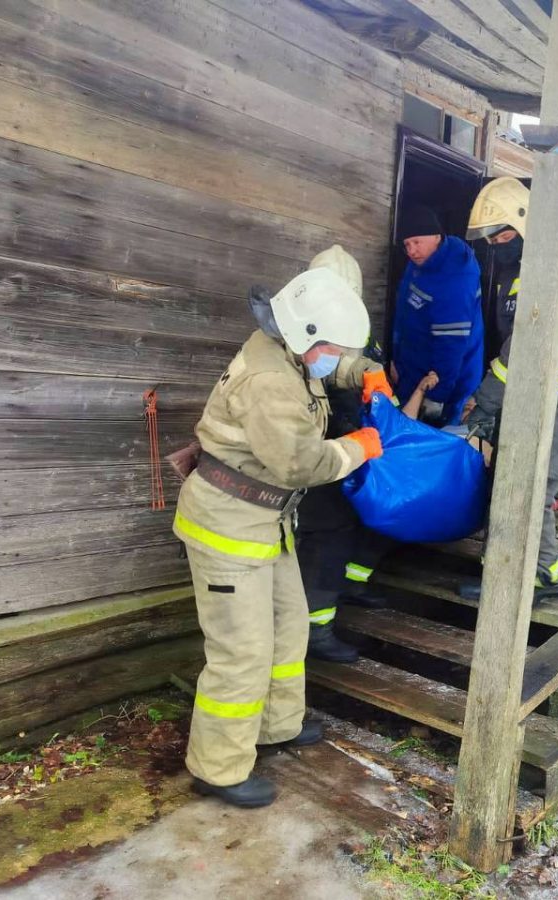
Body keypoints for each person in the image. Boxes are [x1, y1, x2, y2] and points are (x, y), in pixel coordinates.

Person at [172, 265, 393, 808]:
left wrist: (365, 371)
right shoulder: (269, 381)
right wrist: (361, 446)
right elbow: (300, 462)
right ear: (306, 334)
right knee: (241, 652)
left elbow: (321, 368)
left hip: (265, 523)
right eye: (334, 348)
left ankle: (276, 726)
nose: (333, 358)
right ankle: (218, 768)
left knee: (289, 627)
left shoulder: (287, 348)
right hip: (228, 527)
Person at [459, 178, 558, 600]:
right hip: (543, 386)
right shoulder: (518, 270)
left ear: (527, 226)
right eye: (489, 238)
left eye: (503, 234)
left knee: (535, 480)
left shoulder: (556, 265)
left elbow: (529, 342)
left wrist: (488, 400)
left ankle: (541, 574)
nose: (495, 243)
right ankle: (504, 568)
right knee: (511, 473)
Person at [295, 246, 395, 664]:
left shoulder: (355, 328)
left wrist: (370, 374)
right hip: (322, 451)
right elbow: (322, 382)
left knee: (355, 527)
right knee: (326, 537)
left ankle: (347, 591)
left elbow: (348, 369)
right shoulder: (303, 329)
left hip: (350, 447)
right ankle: (317, 631)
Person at [391, 206, 484, 427]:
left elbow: (450, 346)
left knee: (432, 442)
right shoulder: (420, 264)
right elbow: (404, 315)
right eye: (407, 245)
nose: (411, 251)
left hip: (444, 382)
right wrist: (397, 362)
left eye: (416, 242)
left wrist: (436, 398)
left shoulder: (455, 279)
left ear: (436, 236)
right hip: (413, 372)